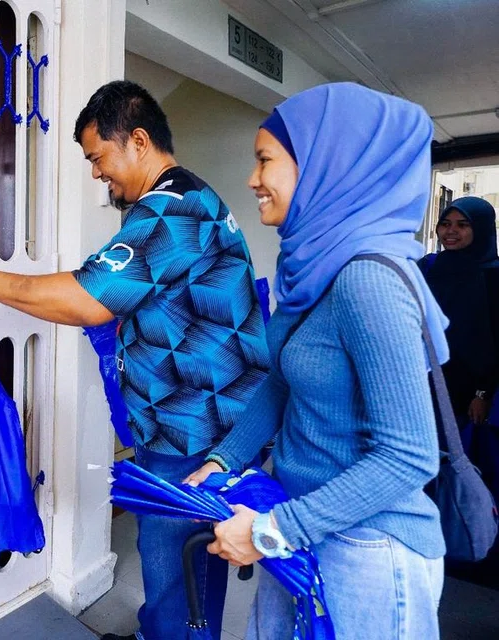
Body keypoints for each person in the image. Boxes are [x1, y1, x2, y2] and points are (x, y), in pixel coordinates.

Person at [0, 80, 270, 640]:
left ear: (137, 141)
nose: (97, 173)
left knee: (176, 573)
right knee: (187, 563)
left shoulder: (169, 212)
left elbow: (88, 299)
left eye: (98, 158)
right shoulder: (187, 200)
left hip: (191, 433)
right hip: (200, 422)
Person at [186, 83, 448, 639]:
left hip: (368, 548)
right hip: (305, 526)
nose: (253, 180)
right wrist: (223, 461)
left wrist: (271, 532)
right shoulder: (309, 270)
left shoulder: (367, 280)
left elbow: (410, 457)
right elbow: (282, 383)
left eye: (264, 161)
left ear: (329, 166)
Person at [418, 197, 499, 426]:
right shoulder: (428, 267)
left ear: (480, 228)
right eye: (445, 223)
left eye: (462, 225)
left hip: (472, 389)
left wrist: (484, 393)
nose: (451, 231)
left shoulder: (493, 275)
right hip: (427, 378)